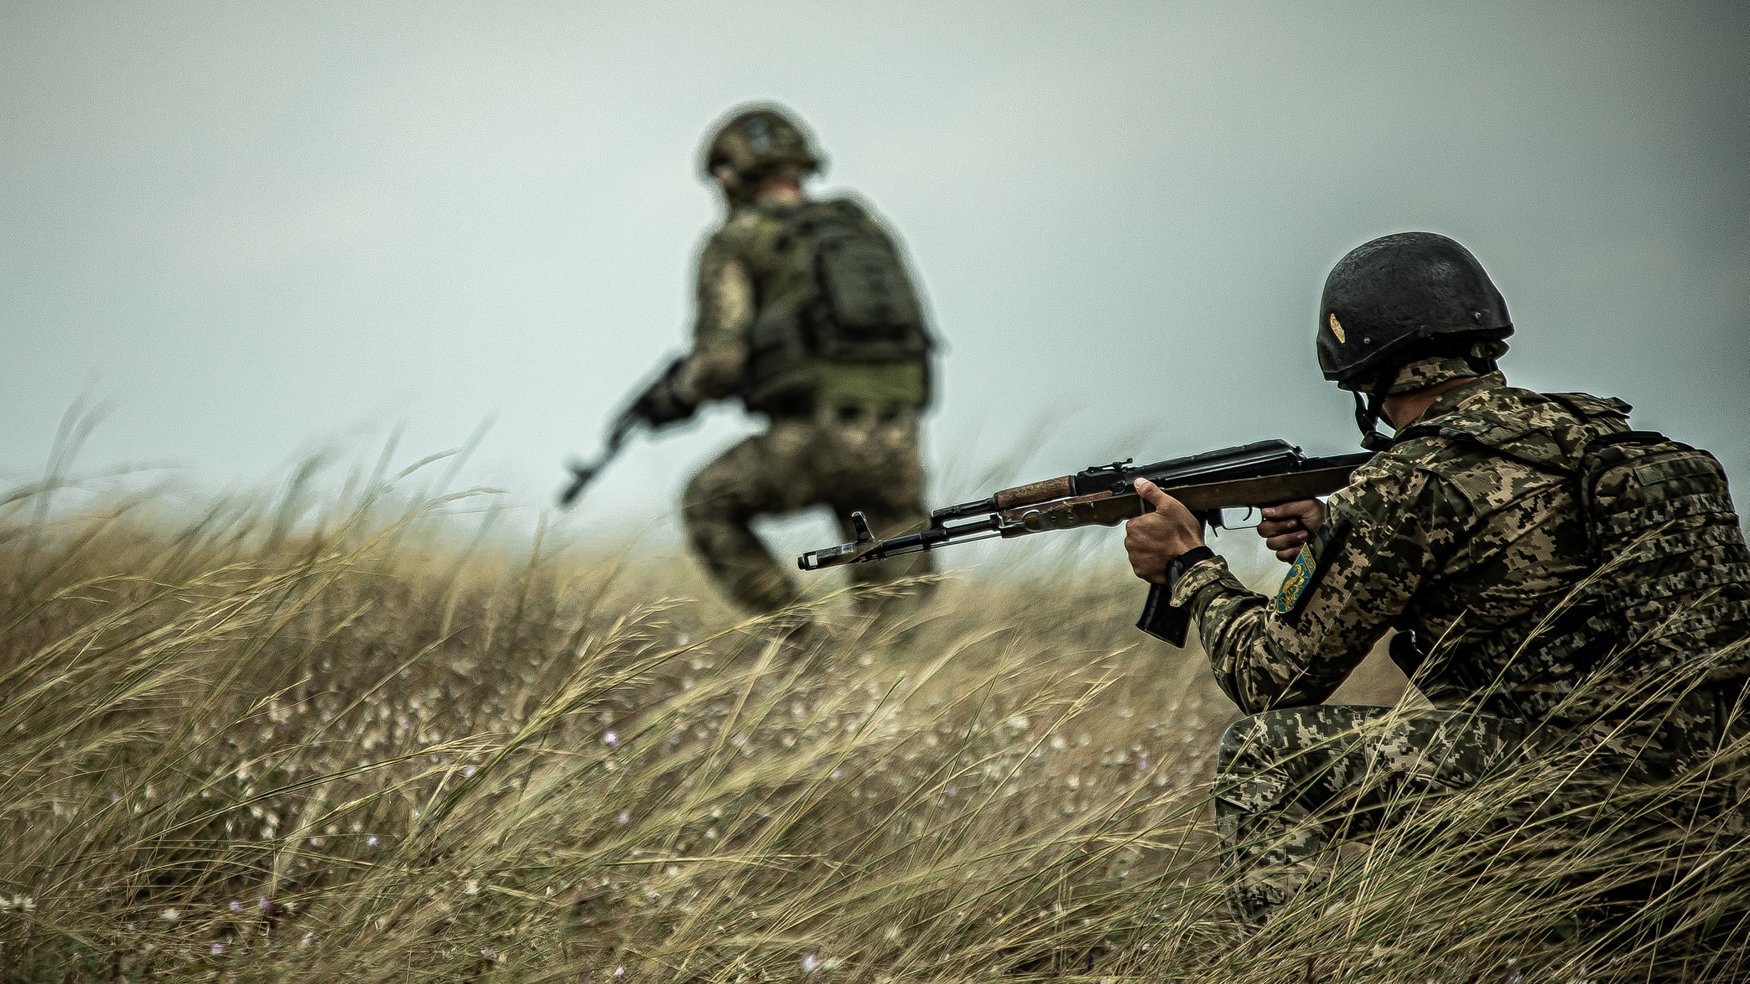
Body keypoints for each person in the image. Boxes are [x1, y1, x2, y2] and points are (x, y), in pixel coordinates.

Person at [1121, 231, 1750, 928]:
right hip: (1715, 790)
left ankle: (1286, 969)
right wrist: (1339, 531)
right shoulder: (1580, 436)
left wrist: (1190, 565)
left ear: (1363, 371)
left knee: (1261, 757)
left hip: (1586, 794)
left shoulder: (1408, 483)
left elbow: (1269, 680)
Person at [639, 104, 937, 623]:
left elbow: (718, 362)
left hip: (811, 437)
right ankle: (888, 686)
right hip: (898, 437)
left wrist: (678, 396)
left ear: (728, 175)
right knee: (893, 619)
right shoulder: (861, 227)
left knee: (704, 504)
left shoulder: (735, 241)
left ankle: (804, 648)